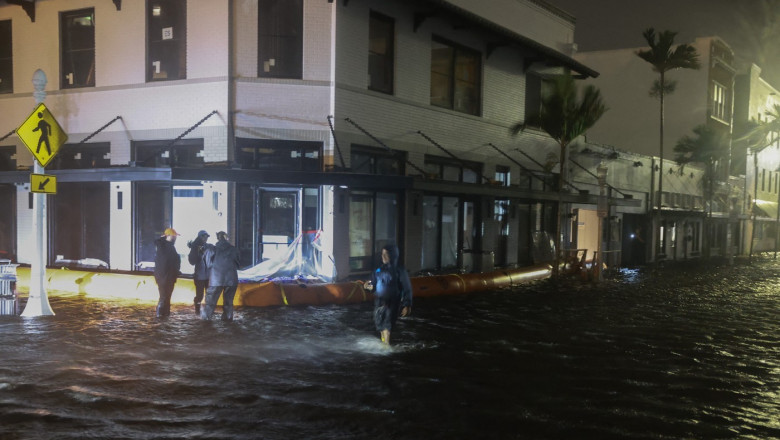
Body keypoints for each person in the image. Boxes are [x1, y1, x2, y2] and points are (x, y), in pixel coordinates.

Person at [364, 243, 412, 345]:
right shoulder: (378, 270)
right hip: (379, 301)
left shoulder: (399, 270)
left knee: (387, 323)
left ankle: (386, 346)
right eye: (382, 254)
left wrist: (407, 304)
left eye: (386, 254)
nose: (383, 256)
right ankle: (384, 343)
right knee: (380, 324)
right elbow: (373, 285)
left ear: (392, 255)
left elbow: (406, 287)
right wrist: (367, 287)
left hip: (393, 301)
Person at [201, 231, 240, 321]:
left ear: (218, 238)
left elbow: (208, 264)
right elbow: (238, 264)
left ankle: (206, 322)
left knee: (210, 303)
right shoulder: (234, 249)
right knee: (229, 303)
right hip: (231, 280)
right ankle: (228, 320)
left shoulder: (212, 249)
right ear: (226, 238)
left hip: (216, 280)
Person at [154, 227, 181, 318]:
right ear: (168, 236)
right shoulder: (164, 246)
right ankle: (160, 315)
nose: (175, 238)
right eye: (174, 236)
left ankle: (165, 314)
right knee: (163, 296)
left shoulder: (169, 246)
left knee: (166, 296)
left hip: (168, 276)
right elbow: (168, 261)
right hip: (164, 277)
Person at [187, 230, 210, 315]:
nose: (206, 238)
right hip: (200, 276)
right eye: (205, 236)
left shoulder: (207, 246)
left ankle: (205, 311)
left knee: (207, 294)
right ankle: (197, 311)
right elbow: (193, 261)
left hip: (206, 276)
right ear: (200, 237)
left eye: (207, 237)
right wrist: (198, 254)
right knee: (200, 295)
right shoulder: (196, 247)